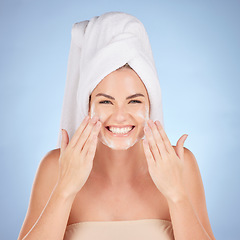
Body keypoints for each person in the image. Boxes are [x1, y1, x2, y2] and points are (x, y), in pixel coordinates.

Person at [18, 12, 216, 240]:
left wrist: (176, 195)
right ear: (87, 105)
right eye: (105, 101)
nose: (120, 116)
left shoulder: (180, 164)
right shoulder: (55, 166)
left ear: (151, 104)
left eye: (134, 101)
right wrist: (65, 189)